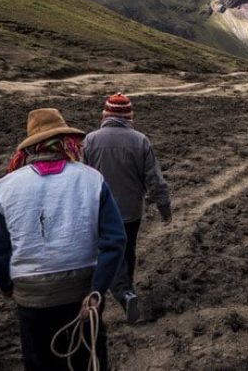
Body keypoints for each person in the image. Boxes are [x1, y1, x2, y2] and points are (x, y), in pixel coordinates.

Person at [0, 108, 126, 370]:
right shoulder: (91, 179)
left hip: (32, 298)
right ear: (66, 143)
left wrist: (6, 286)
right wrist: (97, 289)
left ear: (30, 149)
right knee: (88, 360)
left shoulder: (6, 187)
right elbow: (115, 241)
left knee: (40, 362)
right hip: (83, 296)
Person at [83, 93, 172, 323]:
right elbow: (154, 178)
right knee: (127, 250)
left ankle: (123, 294)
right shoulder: (140, 140)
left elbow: (80, 178)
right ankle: (127, 290)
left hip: (100, 211)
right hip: (131, 210)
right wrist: (164, 207)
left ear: (106, 114)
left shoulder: (90, 141)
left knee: (108, 254)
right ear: (129, 115)